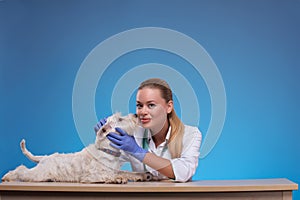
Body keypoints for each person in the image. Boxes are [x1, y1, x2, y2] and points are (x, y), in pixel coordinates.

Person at [95, 78, 202, 182]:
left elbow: (183, 172)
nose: (143, 111)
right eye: (139, 105)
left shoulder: (190, 134)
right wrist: (104, 139)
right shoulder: (132, 134)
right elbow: (104, 165)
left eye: (151, 105)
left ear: (169, 107)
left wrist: (138, 152)